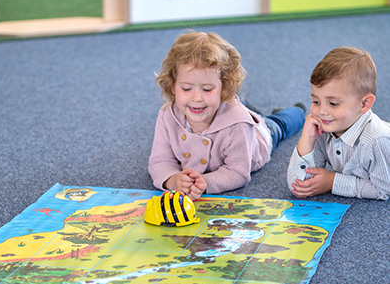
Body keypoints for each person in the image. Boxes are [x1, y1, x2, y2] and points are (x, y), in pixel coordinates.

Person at [148, 31, 306, 201]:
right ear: (172, 86)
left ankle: (299, 111)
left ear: (224, 88)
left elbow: (238, 172)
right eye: (186, 88)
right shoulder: (167, 115)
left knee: (278, 125)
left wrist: (206, 182)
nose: (196, 98)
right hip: (221, 107)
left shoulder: (239, 125)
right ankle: (239, 102)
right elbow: (159, 161)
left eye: (207, 89)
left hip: (262, 135)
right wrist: (172, 180)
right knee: (230, 107)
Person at [288, 46, 390, 200]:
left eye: (333, 103)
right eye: (316, 101)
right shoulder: (324, 126)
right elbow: (299, 185)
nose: (321, 111)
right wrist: (306, 139)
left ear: (364, 104)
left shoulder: (377, 141)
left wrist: (333, 182)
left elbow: (384, 190)